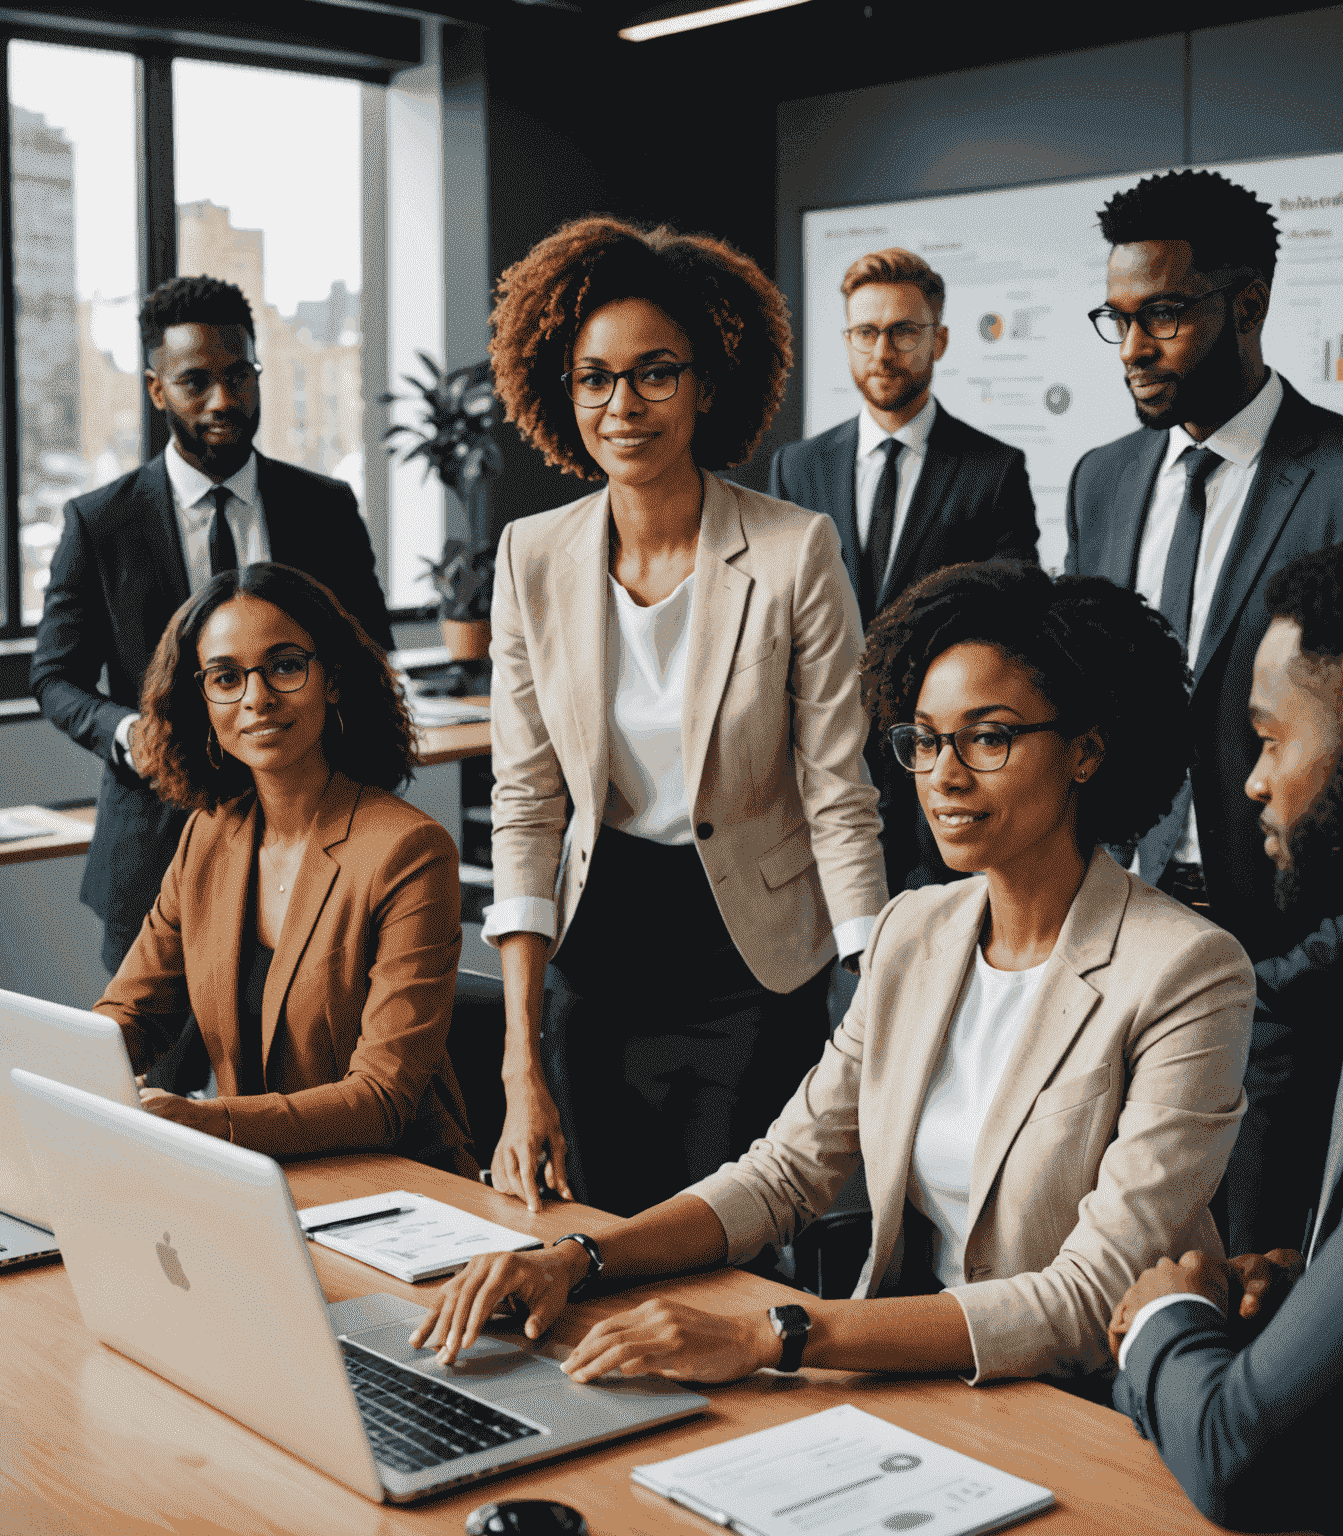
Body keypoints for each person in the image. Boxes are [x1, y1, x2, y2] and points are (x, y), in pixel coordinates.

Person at [411, 561, 1253, 1391]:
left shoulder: (1187, 972)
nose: (944, 775)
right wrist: (575, 1259)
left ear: (1087, 751)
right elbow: (784, 1174)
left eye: (988, 737)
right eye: (923, 739)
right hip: (905, 1367)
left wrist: (769, 1335)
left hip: (1083, 1399)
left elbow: (1087, 1296)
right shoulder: (914, 931)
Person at [1064, 168, 1343, 1253]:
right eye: (1119, 319)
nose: (1135, 346)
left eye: (1165, 315)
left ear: (1249, 304)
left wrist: (1289, 981)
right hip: (1116, 944)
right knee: (1099, 1272)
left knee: (1248, 1281)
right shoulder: (1101, 479)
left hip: (1275, 965)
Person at [481, 217, 888, 1218]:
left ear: (708, 383)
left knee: (724, 1246)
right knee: (592, 1235)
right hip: (600, 954)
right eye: (595, 378)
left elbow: (840, 791)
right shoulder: (531, 557)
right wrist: (517, 1063)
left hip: (749, 963)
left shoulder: (796, 551)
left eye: (656, 373)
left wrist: (881, 987)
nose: (624, 406)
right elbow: (528, 804)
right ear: (561, 391)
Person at [1109, 526, 1343, 1535]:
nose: (1252, 782)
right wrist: (1318, 1301)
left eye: (1273, 738)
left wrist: (1161, 1317)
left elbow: (1245, 1458)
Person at [31, 276, 394, 980]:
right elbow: (55, 676)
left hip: (315, 841)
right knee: (145, 1080)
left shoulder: (325, 507)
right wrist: (129, 733)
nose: (224, 400)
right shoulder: (99, 523)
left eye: (239, 375)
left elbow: (369, 649)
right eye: (196, 382)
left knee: (300, 1070)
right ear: (156, 389)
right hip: (153, 847)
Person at [95, 562, 474, 1172]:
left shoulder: (409, 850)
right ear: (204, 700)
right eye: (225, 677)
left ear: (333, 680)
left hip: (402, 1186)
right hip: (263, 1178)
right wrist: (65, 1067)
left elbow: (384, 1098)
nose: (257, 698)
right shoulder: (208, 836)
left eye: (285, 665)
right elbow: (132, 1012)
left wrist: (209, 1122)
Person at [769, 248, 1039, 892]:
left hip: (936, 765)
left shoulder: (993, 470)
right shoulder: (797, 469)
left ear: (938, 340)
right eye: (864, 333)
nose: (881, 352)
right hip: (820, 767)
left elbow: (1011, 616)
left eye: (902, 332)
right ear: (847, 339)